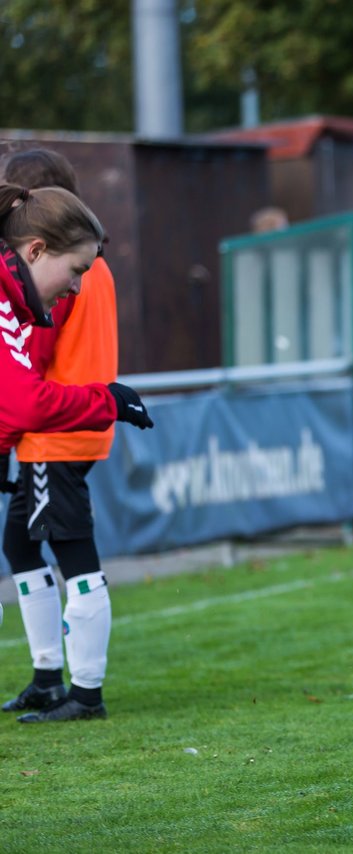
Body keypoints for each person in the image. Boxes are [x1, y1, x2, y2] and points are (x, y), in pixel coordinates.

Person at [0, 177, 154, 723]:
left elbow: (22, 392)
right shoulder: (25, 293)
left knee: (67, 553)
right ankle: (55, 680)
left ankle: (83, 691)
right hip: (61, 425)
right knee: (23, 546)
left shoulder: (42, 286)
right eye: (74, 273)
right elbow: (18, 396)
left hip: (56, 433)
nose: (75, 287)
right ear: (35, 246)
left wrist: (103, 401)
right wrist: (106, 400)